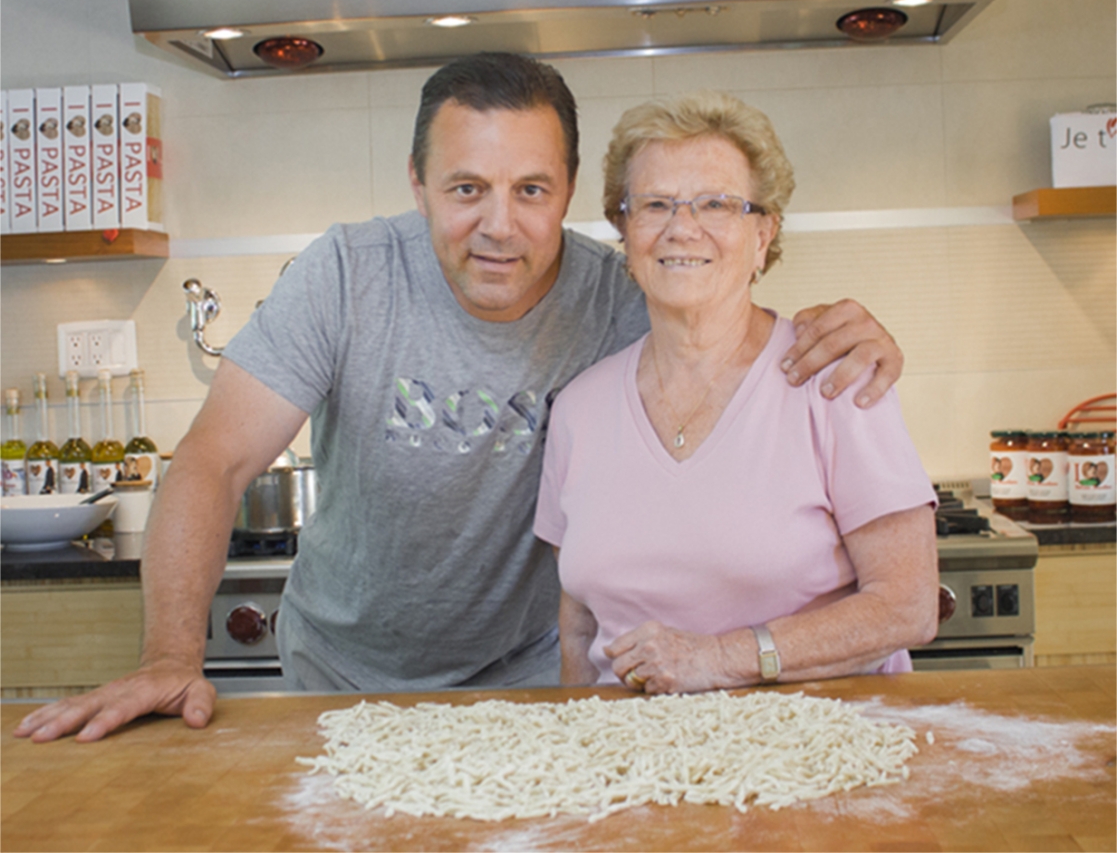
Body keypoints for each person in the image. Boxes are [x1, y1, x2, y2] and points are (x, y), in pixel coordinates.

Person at [17, 54, 905, 743]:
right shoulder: (348, 275)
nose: (498, 226)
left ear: (569, 193)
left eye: (531, 191)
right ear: (417, 184)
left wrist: (841, 326)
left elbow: (714, 279)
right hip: (340, 672)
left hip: (521, 677)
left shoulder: (613, 293)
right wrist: (171, 657)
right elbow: (213, 462)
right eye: (465, 189)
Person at [534, 90, 938, 694]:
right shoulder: (579, 409)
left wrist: (722, 658)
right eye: (655, 205)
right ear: (625, 231)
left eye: (717, 204)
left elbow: (908, 606)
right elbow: (578, 626)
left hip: (814, 757)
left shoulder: (835, 377)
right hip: (628, 767)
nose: (682, 228)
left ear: (763, 232)